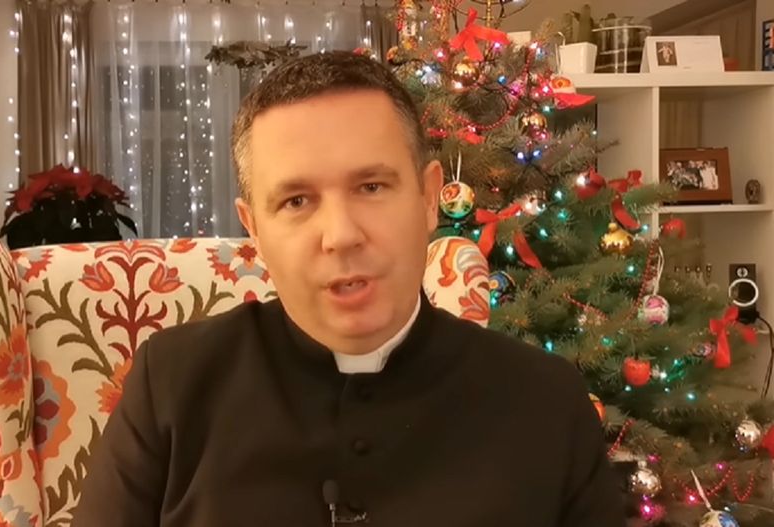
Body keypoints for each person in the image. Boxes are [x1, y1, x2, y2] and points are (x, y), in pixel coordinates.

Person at [73, 51, 625, 527]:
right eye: (296, 201)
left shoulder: (547, 403)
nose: (340, 235)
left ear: (428, 198)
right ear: (254, 229)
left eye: (371, 186)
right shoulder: (171, 386)